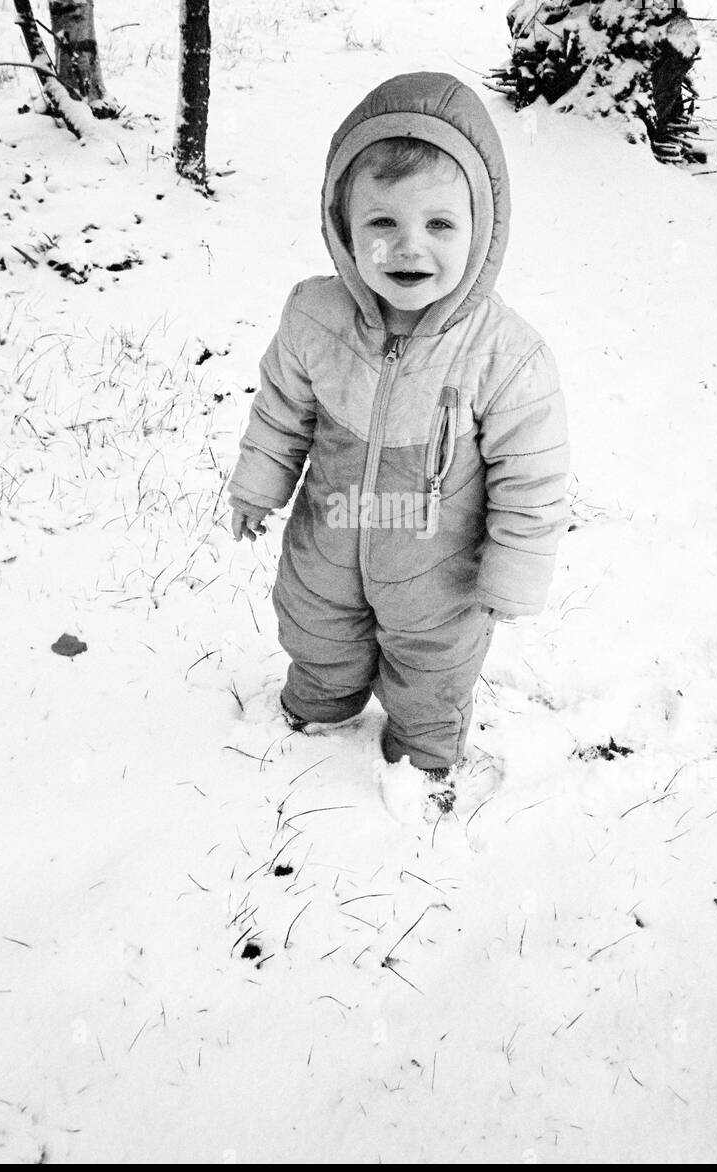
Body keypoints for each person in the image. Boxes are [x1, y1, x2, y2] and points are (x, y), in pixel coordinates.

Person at [228, 71, 569, 801]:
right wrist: (258, 486)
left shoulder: (506, 356)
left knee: (433, 664)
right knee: (316, 628)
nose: (408, 246)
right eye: (381, 222)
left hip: (439, 574)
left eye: (440, 224)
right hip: (328, 539)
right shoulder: (314, 318)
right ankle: (319, 707)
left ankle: (422, 748)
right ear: (342, 227)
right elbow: (282, 409)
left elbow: (532, 480)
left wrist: (513, 572)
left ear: (483, 229)